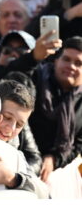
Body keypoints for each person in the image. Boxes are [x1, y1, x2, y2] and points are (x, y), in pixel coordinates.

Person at [28, 36, 82, 182]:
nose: (71, 66)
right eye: (66, 59)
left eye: (78, 63)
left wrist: (54, 159)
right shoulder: (35, 79)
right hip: (24, 162)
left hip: (59, 173)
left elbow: (78, 144)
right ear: (56, 60)